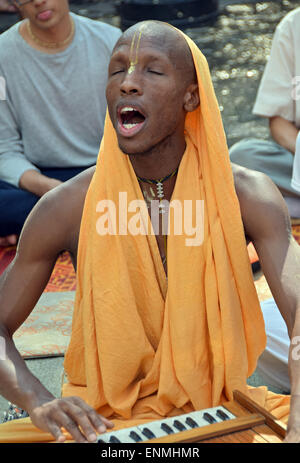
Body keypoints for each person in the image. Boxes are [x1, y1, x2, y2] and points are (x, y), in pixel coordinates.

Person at [0, 20, 299, 444]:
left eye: (152, 71)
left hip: (219, 418)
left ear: (191, 96)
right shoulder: (67, 206)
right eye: (118, 70)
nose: (128, 83)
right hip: (100, 428)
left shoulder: (247, 195)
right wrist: (38, 399)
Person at [0, 0, 121, 246]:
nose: (37, 1)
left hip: (105, 170)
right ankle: (87, 220)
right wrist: (50, 188)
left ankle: (46, 226)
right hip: (38, 178)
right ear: (14, 4)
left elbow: (133, 125)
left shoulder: (111, 41)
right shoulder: (2, 55)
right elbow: (5, 146)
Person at [229, 7, 300, 222]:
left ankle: (284, 207)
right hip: (298, 161)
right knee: (243, 158)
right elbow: (278, 122)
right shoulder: (292, 26)